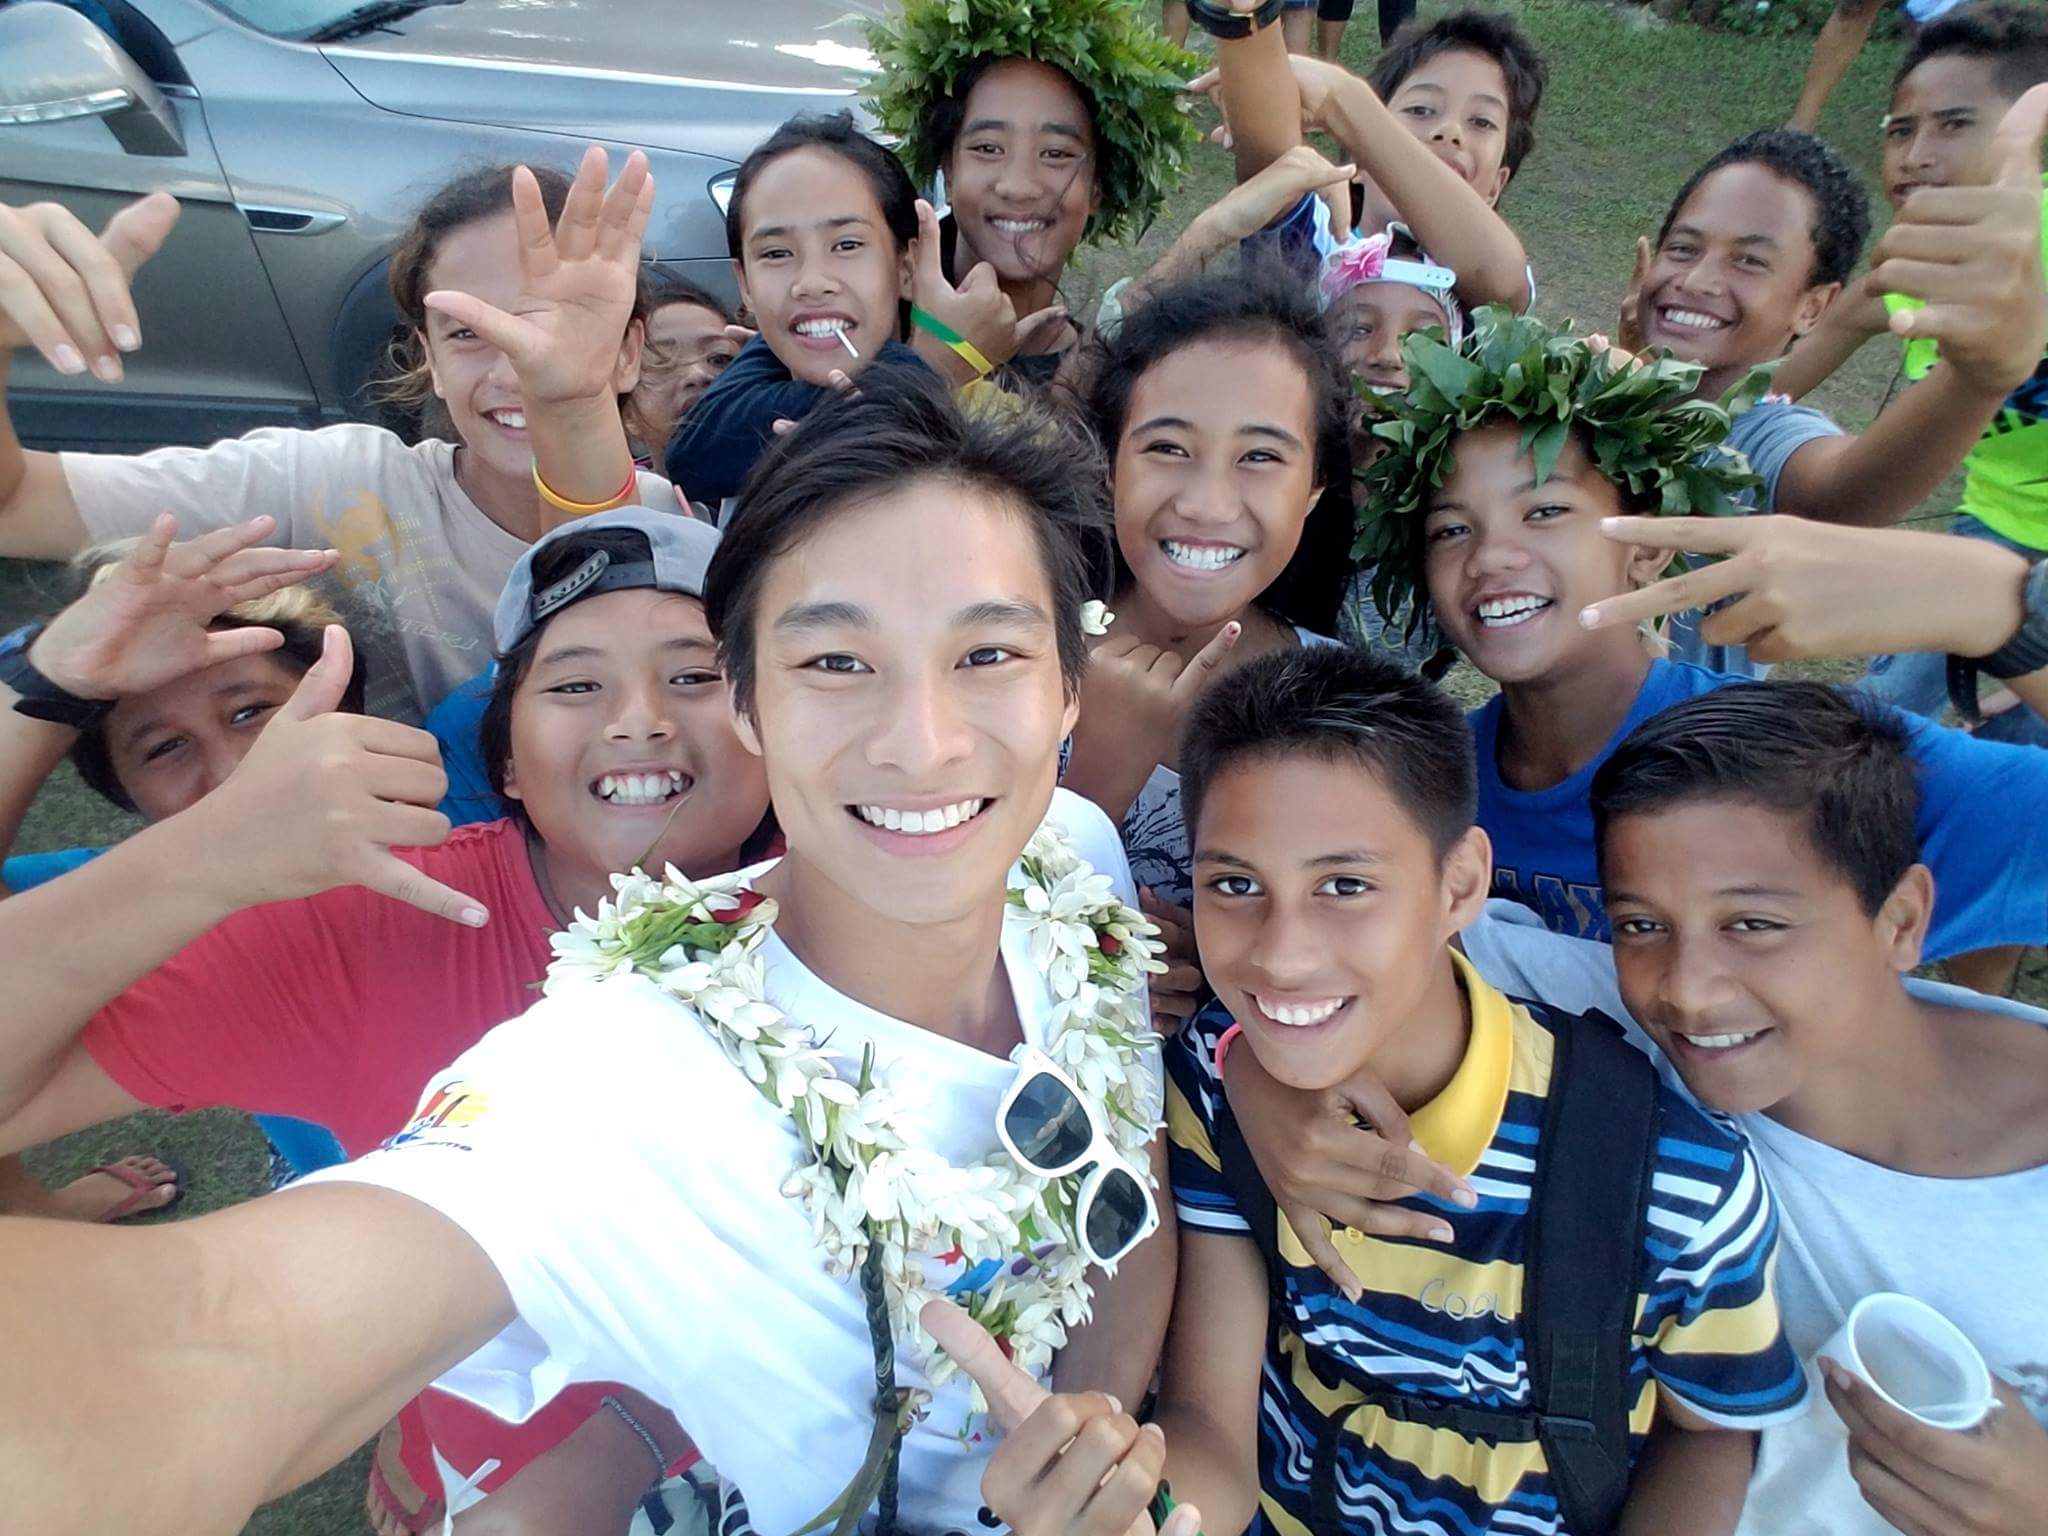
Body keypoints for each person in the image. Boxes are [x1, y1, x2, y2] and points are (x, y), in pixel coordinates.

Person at [0, 372, 1179, 1536]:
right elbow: (206, 1343)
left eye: (987, 656)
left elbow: (1123, 1195)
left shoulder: (1065, 855)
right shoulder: (606, 1079)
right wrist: (182, 831)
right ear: (758, 712)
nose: (922, 746)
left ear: (1068, 694)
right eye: (834, 661)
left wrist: (1093, 1438)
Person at [0, 506, 773, 1534]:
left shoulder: (875, 889)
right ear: (504, 765)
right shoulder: (356, 935)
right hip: (498, 1464)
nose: (638, 718)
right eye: (575, 684)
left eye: (693, 675)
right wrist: (72, 726)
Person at [984, 643, 1807, 1536]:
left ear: (1460, 884)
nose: (1282, 953)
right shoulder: (1214, 1095)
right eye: (1234, 884)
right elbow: (1214, 1427)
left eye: (1345, 885)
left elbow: (1710, 1433)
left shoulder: (1675, 1186)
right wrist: (1140, 1513)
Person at [1352, 307, 2048, 960]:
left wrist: (2003, 611)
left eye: (1547, 510)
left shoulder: (1798, 762)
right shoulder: (1431, 782)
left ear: (1649, 544)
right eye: (1451, 529)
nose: (1491, 555)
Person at [1591, 683, 2048, 1533]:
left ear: (1902, 919)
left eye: (1754, 925)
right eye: (1640, 926)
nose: (1688, 993)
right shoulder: (1606, 1026)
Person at [0, 156, 670, 722]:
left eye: (549, 325)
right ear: (428, 359)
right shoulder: (340, 481)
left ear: (628, 350)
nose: (518, 367)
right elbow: (17, 505)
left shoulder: (673, 528)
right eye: (467, 332)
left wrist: (573, 407)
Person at [0, 516, 340, 1220]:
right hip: (340, 1186)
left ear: (336, 694)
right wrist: (46, 683)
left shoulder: (463, 794)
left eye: (250, 711)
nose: (232, 769)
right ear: (125, 797)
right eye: (163, 749)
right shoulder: (111, 905)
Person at [1773, 3, 2048, 745]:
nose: (1916, 154)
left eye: (1955, 125)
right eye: (1901, 130)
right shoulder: (1911, 264)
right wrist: (1705, 422)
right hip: (1985, 531)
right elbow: (1790, 367)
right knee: (1879, 713)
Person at [1060, 267, 1352, 910]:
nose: (1208, 505)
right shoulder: (1008, 656)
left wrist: (1216, 963)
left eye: (1260, 457)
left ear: (1313, 491)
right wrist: (1091, 784)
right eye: (1167, 447)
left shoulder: (1350, 707)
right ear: (1109, 468)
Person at [1620, 112, 2045, 547]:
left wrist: (1978, 379)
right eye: (1683, 248)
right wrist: (1632, 370)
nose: (1695, 281)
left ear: (1812, 306)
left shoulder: (1763, 441)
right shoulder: (1608, 386)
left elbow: (1844, 490)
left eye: (1749, 261)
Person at [863, 0, 1202, 383]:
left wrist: (1209, 236)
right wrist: (943, 358)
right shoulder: (859, 320)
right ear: (948, 169)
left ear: (1097, 188)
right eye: (988, 148)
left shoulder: (1112, 381)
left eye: (1056, 154)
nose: (1019, 187)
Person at [1187, 5, 1539, 312]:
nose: (1449, 130)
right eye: (1420, 109)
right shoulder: (1319, 245)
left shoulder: (1488, 303)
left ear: (1496, 186)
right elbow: (1269, 149)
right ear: (1359, 154)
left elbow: (1501, 278)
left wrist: (1341, 97)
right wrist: (1243, 16)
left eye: (1481, 121)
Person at [621, 271, 743, 466]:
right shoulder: (611, 495)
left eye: (719, 359)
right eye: (663, 361)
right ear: (628, 415)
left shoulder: (799, 487)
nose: (697, 375)